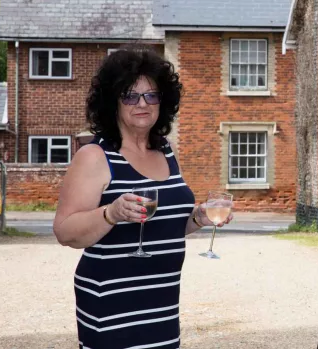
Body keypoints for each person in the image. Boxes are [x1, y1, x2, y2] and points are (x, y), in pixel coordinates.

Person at [53, 46, 232, 349]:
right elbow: (65, 231)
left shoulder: (166, 151)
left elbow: (167, 225)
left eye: (151, 95)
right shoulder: (95, 156)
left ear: (164, 101)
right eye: (130, 95)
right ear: (113, 102)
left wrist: (198, 218)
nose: (142, 103)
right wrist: (111, 213)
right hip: (111, 302)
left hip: (162, 302)